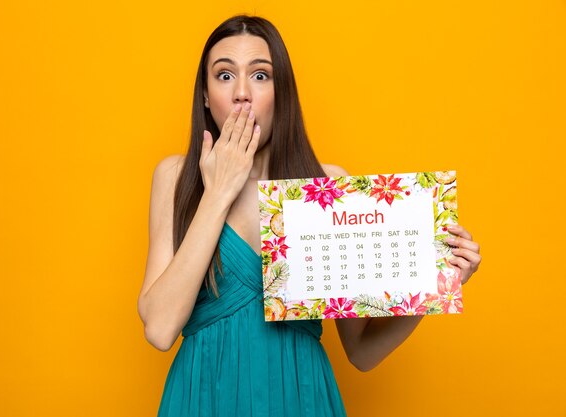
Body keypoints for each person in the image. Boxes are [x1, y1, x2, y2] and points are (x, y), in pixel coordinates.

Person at [137, 14, 482, 416]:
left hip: (300, 397)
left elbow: (362, 352)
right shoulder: (175, 178)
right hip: (203, 397)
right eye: (225, 75)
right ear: (205, 94)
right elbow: (159, 329)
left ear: (281, 92)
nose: (242, 93)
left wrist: (436, 286)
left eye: (261, 76)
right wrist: (218, 191)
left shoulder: (325, 188)